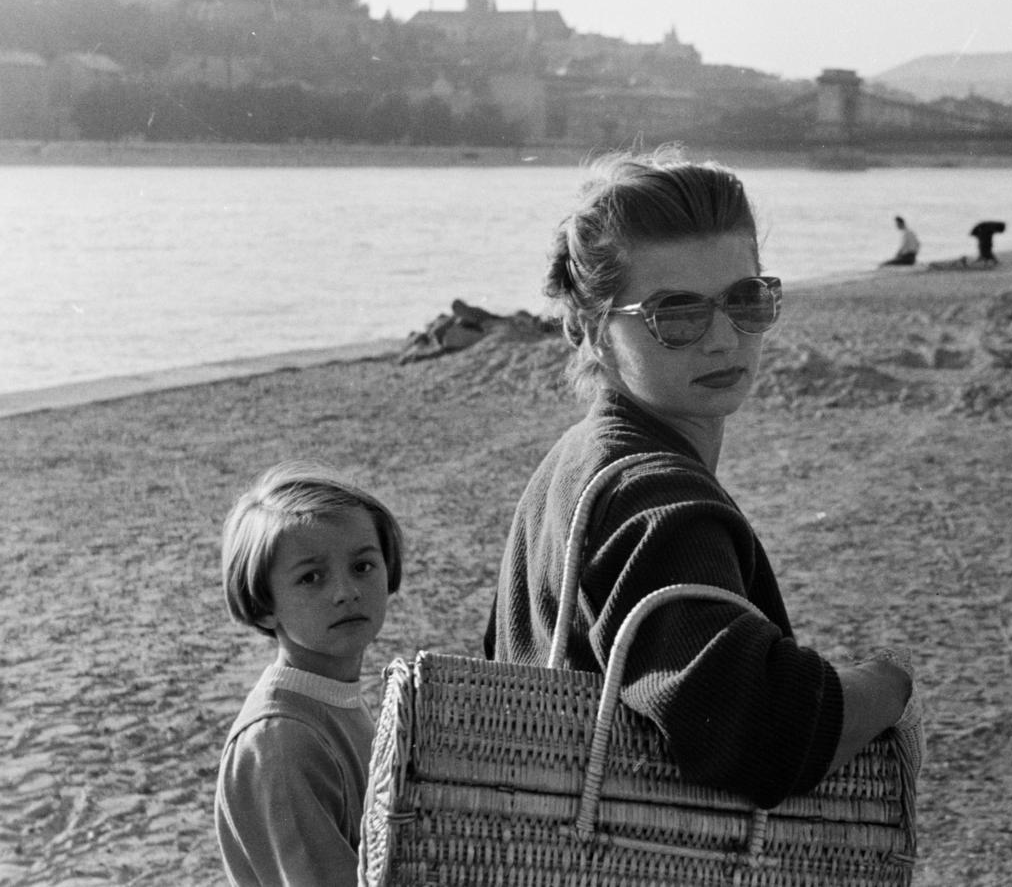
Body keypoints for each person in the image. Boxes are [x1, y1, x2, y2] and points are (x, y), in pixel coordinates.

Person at [484, 148, 917, 809]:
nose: (722, 339)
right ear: (591, 330)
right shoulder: (650, 498)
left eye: (747, 300)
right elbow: (762, 733)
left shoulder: (578, 459)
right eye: (677, 315)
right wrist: (888, 685)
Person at [215, 460, 405, 887]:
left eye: (363, 566)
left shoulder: (336, 697)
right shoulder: (280, 740)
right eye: (311, 577)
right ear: (263, 604)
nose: (346, 592)